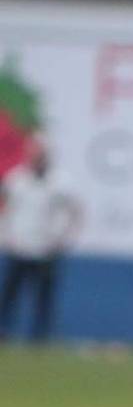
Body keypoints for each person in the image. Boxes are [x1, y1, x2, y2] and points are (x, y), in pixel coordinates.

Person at [0, 143, 82, 344]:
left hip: (46, 248)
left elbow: (75, 210)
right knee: (10, 294)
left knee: (43, 296)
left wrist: (64, 237)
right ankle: (4, 331)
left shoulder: (60, 182)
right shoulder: (16, 179)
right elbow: (5, 205)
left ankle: (40, 336)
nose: (37, 159)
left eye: (41, 156)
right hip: (19, 246)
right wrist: (6, 234)